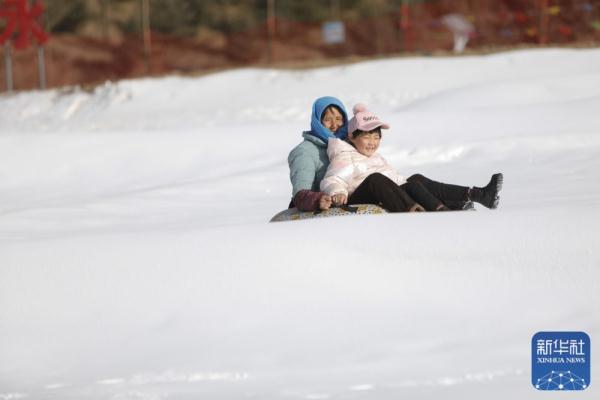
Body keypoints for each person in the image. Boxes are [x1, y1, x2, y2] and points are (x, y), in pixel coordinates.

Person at [320, 103, 503, 212]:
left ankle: (474, 195)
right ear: (352, 137)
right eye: (367, 136)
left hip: (384, 194)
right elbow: (333, 179)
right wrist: (337, 193)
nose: (372, 142)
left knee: (416, 179)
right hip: (356, 200)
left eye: (376, 137)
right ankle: (429, 212)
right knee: (376, 179)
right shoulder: (344, 154)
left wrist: (414, 185)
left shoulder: (375, 157)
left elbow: (397, 181)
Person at [288, 96, 349, 211]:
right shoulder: (304, 152)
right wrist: (318, 200)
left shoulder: (348, 146)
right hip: (319, 213)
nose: (334, 125)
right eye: (328, 120)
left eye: (338, 119)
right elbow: (300, 195)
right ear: (318, 122)